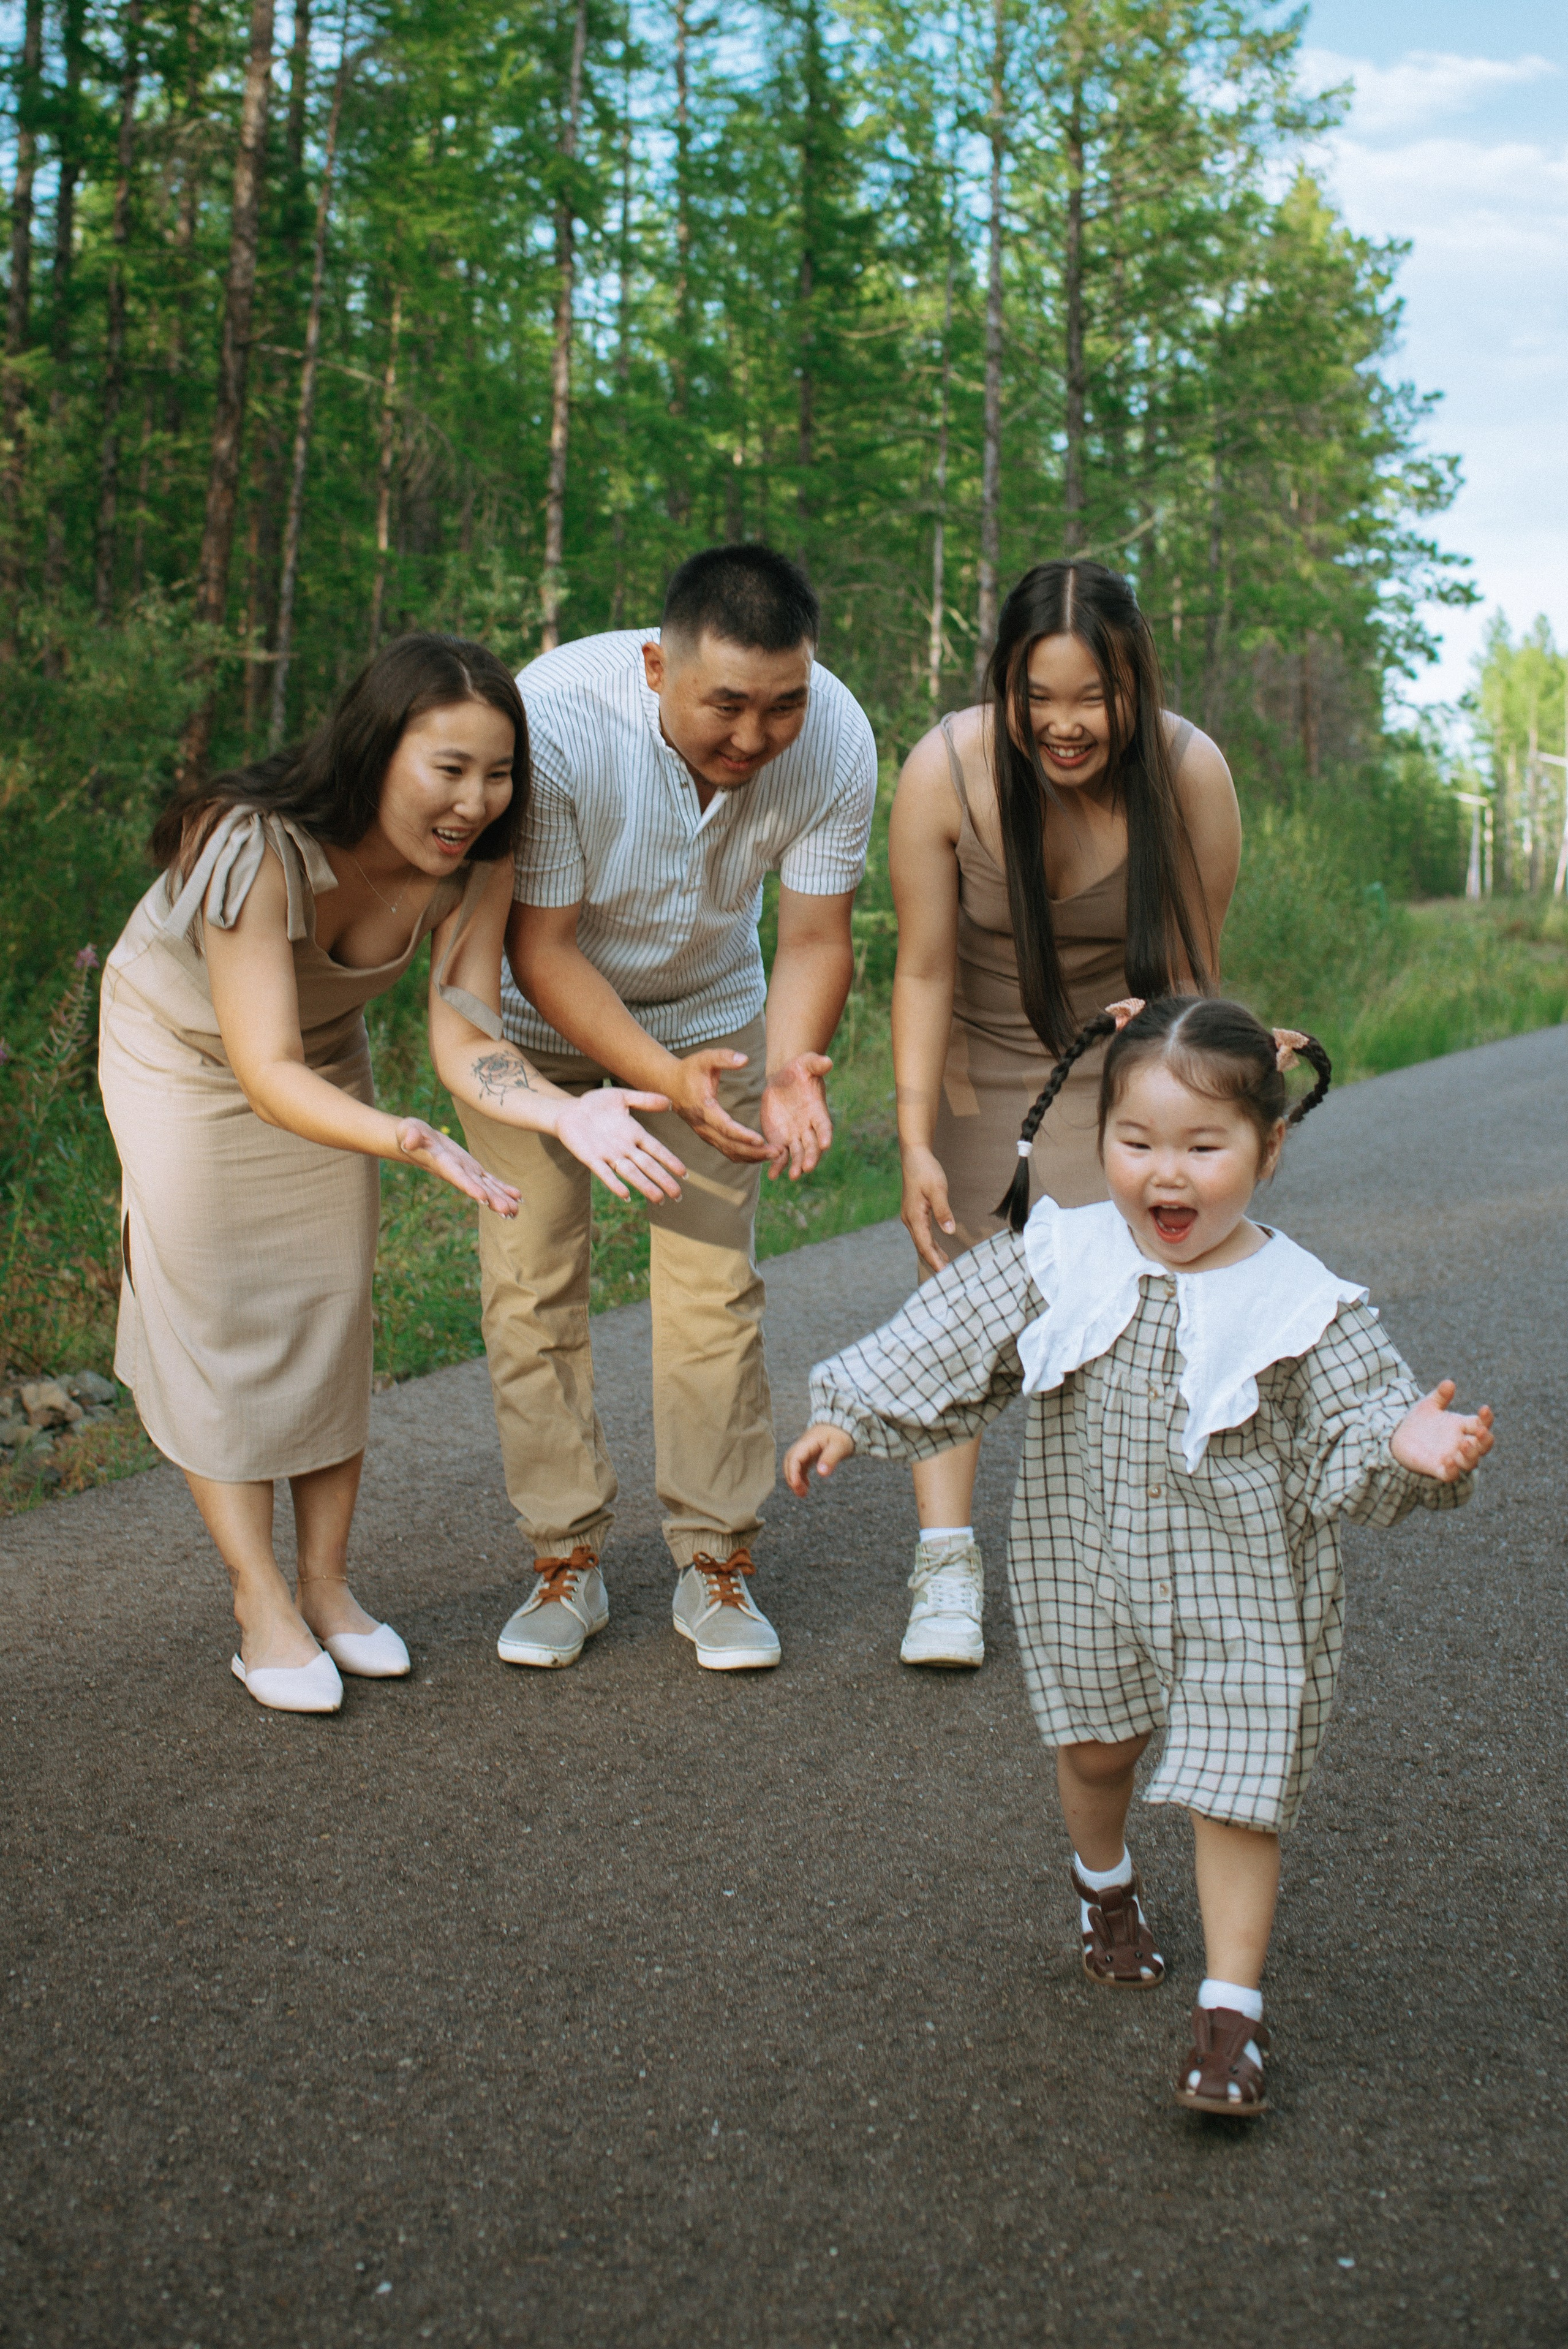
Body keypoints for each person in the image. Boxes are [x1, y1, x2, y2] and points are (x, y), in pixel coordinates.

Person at [785, 994, 1493, 2117]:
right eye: (1137, 1142)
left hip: (1250, 1587)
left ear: (1269, 1144)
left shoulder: (1307, 1303)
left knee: (1237, 1787)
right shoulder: (1065, 1254)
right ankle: (1103, 1884)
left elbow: (1361, 1429)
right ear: (1101, 1134)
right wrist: (853, 1409)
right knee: (1100, 1754)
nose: (1167, 1175)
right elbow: (953, 1331)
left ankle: (1230, 2022)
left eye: (1205, 1147)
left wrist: (1410, 1444)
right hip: (1089, 1561)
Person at [100, 635, 683, 1716]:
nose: (475, 798)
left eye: (498, 771)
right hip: (182, 1052)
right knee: (219, 1309)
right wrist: (404, 1135)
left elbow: (465, 1026)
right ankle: (258, 1597)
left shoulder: (480, 859)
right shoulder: (256, 843)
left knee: (331, 1303)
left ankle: (326, 1587)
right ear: (376, 753)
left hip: (319, 1052)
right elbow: (259, 1067)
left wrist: (565, 1106)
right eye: (448, 768)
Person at [458, 543, 876, 1673]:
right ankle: (566, 1557)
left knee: (711, 1289)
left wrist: (791, 1063)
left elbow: (815, 937)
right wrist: (655, 1074)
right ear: (655, 665)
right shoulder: (557, 719)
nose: (754, 737)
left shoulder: (834, 736)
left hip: (716, 1016)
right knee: (532, 1286)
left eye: (781, 704)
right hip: (538, 1033)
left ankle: (716, 1559)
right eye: (726, 705)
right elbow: (538, 951)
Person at [887, 561, 1241, 1668]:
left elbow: (1193, 974)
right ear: (1005, 685)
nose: (1065, 725)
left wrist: (1189, 1123)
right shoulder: (947, 769)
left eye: (1092, 696)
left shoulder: (1189, 772)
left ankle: (1118, 1556)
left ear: (1135, 683)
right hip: (979, 1056)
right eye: (1038, 697)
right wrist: (910, 1140)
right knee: (959, 1298)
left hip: (1124, 1063)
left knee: (1133, 1312)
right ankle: (946, 1564)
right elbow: (924, 970)